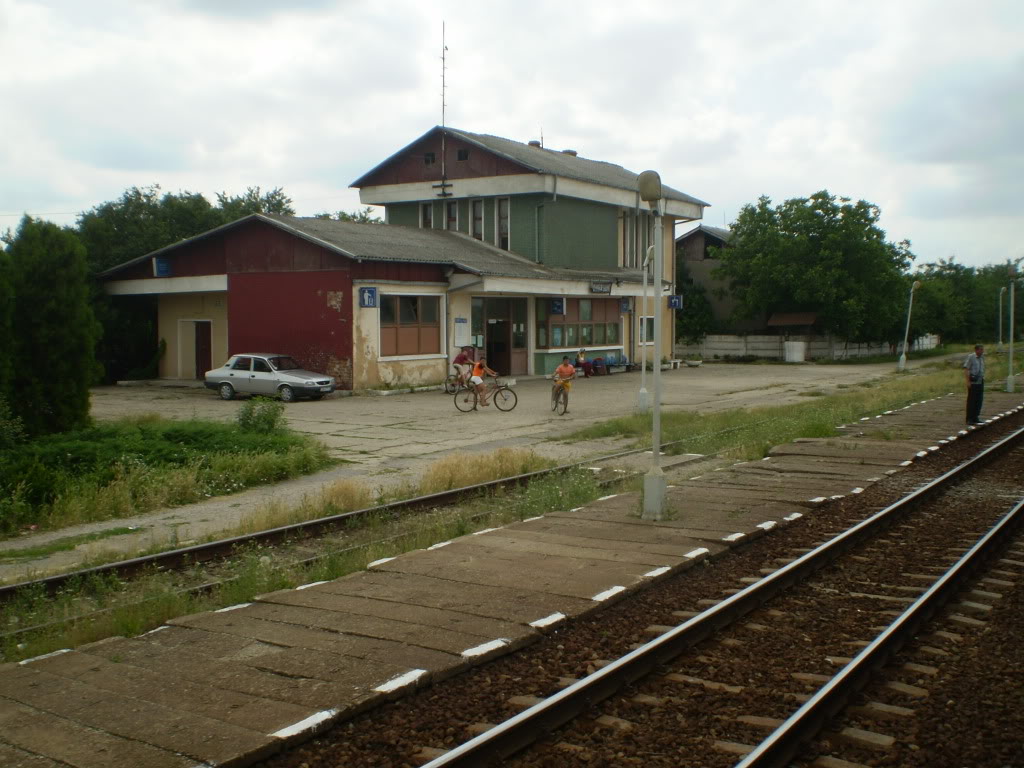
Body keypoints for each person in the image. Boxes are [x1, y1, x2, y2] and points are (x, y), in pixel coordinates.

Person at [963, 344, 985, 425]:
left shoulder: (982, 357)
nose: (982, 351)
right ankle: (969, 418)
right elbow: (966, 369)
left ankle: (976, 417)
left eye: (983, 350)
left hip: (980, 381)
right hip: (973, 382)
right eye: (981, 350)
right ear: (976, 350)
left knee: (979, 400)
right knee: (972, 401)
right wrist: (968, 381)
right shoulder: (971, 357)